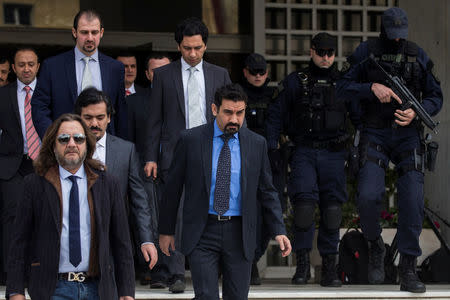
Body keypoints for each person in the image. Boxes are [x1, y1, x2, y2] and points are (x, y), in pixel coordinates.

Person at [337, 7, 443, 293]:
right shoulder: (366, 52)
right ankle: (374, 244)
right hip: (375, 132)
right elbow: (341, 87)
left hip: (408, 134)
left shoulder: (416, 54)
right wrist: (371, 87)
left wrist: (416, 114)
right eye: (392, 35)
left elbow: (435, 96)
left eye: (401, 36)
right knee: (369, 194)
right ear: (383, 29)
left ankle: (408, 267)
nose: (397, 41)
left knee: (412, 199)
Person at [159, 83, 291, 300]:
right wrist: (166, 230)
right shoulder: (190, 140)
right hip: (202, 230)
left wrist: (279, 229)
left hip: (240, 233)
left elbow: (267, 191)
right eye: (228, 112)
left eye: (240, 113)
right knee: (206, 296)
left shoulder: (256, 144)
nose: (234, 119)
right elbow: (172, 188)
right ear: (214, 109)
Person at [6, 113, 135, 300]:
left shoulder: (108, 184)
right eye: (64, 139)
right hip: (52, 289)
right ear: (53, 145)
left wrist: (127, 292)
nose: (72, 144)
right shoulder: (34, 184)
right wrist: (15, 291)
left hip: (97, 289)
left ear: (87, 144)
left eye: (79, 138)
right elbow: (19, 241)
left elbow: (122, 243)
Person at [146, 17, 231, 292]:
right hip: (175, 153)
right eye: (186, 48)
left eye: (197, 48)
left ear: (205, 45)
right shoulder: (163, 75)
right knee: (177, 213)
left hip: (214, 152)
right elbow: (154, 121)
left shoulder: (220, 74)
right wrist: (151, 157)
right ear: (178, 47)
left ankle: (208, 270)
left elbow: (232, 115)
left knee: (213, 211)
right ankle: (177, 274)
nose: (192, 54)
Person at [266, 32, 359, 287]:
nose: (326, 58)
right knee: (304, 210)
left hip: (333, 152)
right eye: (321, 53)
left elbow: (359, 117)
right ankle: (303, 265)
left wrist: (357, 150)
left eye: (330, 53)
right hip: (304, 151)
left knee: (332, 211)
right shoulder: (297, 81)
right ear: (311, 51)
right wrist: (272, 148)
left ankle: (329, 268)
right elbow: (275, 115)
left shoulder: (343, 83)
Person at [74, 88, 158, 278]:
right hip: (73, 239)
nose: (94, 123)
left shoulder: (126, 150)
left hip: (113, 240)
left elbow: (140, 201)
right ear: (78, 118)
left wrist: (146, 240)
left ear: (109, 118)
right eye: (88, 117)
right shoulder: (66, 148)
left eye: (100, 117)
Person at [31, 9, 128, 140]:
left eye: (94, 32)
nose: (89, 38)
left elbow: (120, 112)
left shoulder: (115, 68)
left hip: (104, 146)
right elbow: (39, 107)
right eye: (84, 32)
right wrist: (53, 139)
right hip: (65, 145)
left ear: (102, 33)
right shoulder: (52, 66)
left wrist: (118, 147)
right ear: (74, 32)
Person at [240, 53, 288, 285]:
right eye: (254, 72)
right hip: (245, 160)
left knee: (272, 214)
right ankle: (247, 264)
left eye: (262, 72)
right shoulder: (237, 94)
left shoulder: (276, 95)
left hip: (272, 160)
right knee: (248, 214)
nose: (258, 76)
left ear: (267, 73)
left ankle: (252, 259)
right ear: (245, 72)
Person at [127, 53, 171, 285]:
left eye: (165, 70)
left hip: (176, 170)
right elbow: (129, 141)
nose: (161, 76)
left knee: (176, 219)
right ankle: (158, 270)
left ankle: (175, 269)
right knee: (151, 221)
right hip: (146, 171)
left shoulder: (181, 98)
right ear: (147, 74)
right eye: (156, 71)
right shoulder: (134, 102)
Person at [0, 47, 40, 283]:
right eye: (21, 64)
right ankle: (11, 273)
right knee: (12, 219)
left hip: (42, 164)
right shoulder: (3, 94)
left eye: (31, 64)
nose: (26, 68)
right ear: (13, 68)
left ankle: (36, 271)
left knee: (41, 217)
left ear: (38, 66)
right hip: (11, 165)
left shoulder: (48, 93)